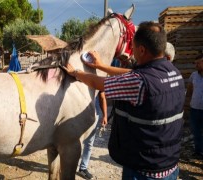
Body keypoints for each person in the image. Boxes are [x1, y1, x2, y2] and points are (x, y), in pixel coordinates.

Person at [63, 21, 185, 179]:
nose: (131, 51)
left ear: (141, 50)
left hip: (144, 171)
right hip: (169, 166)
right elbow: (128, 73)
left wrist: (76, 72)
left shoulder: (139, 82)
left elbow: (98, 83)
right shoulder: (174, 73)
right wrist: (101, 66)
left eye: (133, 47)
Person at [78, 91, 107, 180]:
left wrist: (105, 116)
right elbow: (102, 97)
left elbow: (102, 96)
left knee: (87, 142)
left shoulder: (95, 78)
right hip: (80, 105)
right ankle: (76, 167)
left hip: (91, 107)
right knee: (80, 141)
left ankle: (82, 167)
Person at [187, 54, 203, 159]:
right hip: (194, 109)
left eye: (199, 62)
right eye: (195, 63)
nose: (196, 65)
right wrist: (186, 104)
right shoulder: (193, 75)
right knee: (196, 131)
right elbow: (189, 90)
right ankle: (198, 151)